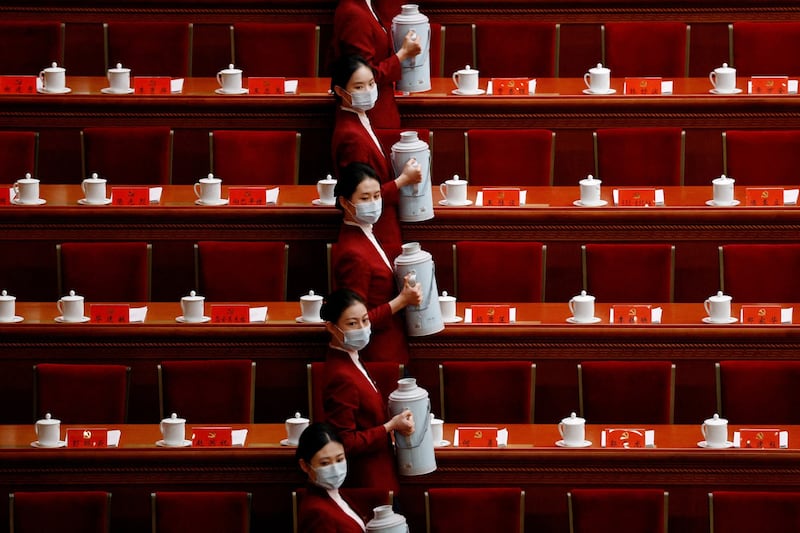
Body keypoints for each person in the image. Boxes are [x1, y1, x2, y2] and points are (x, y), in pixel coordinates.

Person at [320, 288, 415, 493]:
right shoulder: (341, 376)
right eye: (352, 323)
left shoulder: (351, 357)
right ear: (331, 327)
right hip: (369, 479)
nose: (362, 328)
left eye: (365, 320)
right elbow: (346, 441)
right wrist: (389, 427)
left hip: (381, 469)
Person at [330, 54, 422, 261]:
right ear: (340, 91)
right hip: (378, 227)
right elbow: (360, 191)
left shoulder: (359, 117)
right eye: (359, 87)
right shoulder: (352, 138)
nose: (369, 91)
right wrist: (403, 180)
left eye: (371, 83)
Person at [331, 162, 421, 363]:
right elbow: (355, 322)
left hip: (392, 345)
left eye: (377, 196)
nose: (373, 203)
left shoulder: (365, 232)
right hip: (379, 354)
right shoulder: (353, 255)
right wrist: (402, 300)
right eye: (364, 198)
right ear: (345, 202)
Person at [331, 0, 421, 128]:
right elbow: (363, 76)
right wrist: (403, 54)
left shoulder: (364, 5)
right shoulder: (354, 13)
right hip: (372, 115)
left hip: (379, 111)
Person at [296, 422, 369, 532]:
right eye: (325, 463)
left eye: (339, 460)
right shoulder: (316, 513)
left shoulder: (335, 494)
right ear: (305, 466)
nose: (335, 469)